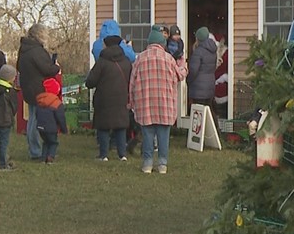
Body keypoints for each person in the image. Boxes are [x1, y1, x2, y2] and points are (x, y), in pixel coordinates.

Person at [129, 28, 185, 174]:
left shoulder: (140, 58)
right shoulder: (168, 59)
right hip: (165, 103)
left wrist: (132, 102)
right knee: (163, 135)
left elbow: (132, 83)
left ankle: (147, 164)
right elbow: (179, 76)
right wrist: (184, 67)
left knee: (147, 134)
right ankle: (162, 164)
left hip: (145, 103)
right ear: (162, 43)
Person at [85, 33, 133, 161]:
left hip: (104, 99)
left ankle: (103, 155)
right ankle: (122, 154)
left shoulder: (102, 61)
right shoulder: (126, 61)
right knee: (120, 126)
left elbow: (90, 82)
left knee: (103, 127)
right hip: (122, 98)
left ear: (106, 45)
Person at [17, 23, 60, 161]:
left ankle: (34, 149)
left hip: (28, 87)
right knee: (36, 120)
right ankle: (36, 151)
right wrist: (55, 67)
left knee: (32, 118)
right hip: (39, 88)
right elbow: (46, 69)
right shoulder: (37, 51)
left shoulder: (24, 50)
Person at [187, 26, 219, 120]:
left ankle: (199, 132)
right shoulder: (213, 51)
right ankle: (215, 131)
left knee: (199, 112)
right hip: (210, 85)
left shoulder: (198, 52)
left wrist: (188, 81)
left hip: (198, 88)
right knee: (209, 109)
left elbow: (193, 70)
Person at [35, 76, 68, 164]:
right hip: (51, 128)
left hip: (40, 127)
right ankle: (50, 157)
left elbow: (36, 114)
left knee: (45, 142)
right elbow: (61, 118)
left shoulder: (40, 101)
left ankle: (43, 158)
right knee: (53, 143)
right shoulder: (57, 103)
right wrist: (64, 129)